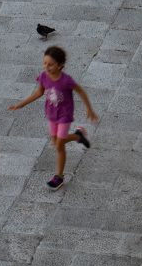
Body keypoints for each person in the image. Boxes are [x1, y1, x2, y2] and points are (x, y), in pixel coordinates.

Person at [8, 46, 98, 190]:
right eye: (44, 63)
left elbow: (80, 91)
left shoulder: (66, 81)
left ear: (60, 65)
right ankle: (77, 136)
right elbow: (38, 93)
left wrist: (89, 109)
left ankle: (59, 177)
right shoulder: (44, 76)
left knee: (59, 146)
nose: (46, 67)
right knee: (56, 141)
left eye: (50, 64)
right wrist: (21, 104)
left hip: (64, 116)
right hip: (51, 114)